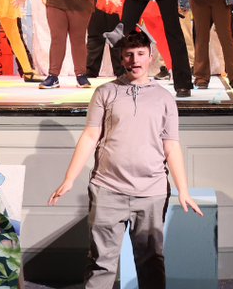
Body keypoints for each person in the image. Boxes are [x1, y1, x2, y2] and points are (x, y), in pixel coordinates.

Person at [47, 31, 202, 289]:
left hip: (151, 193)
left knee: (151, 261)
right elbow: (90, 135)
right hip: (108, 190)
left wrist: (182, 189)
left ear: (150, 57)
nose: (135, 59)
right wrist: (69, 178)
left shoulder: (164, 98)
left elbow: (171, 145)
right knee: (101, 263)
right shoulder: (105, 92)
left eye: (141, 54)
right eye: (129, 55)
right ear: (121, 58)